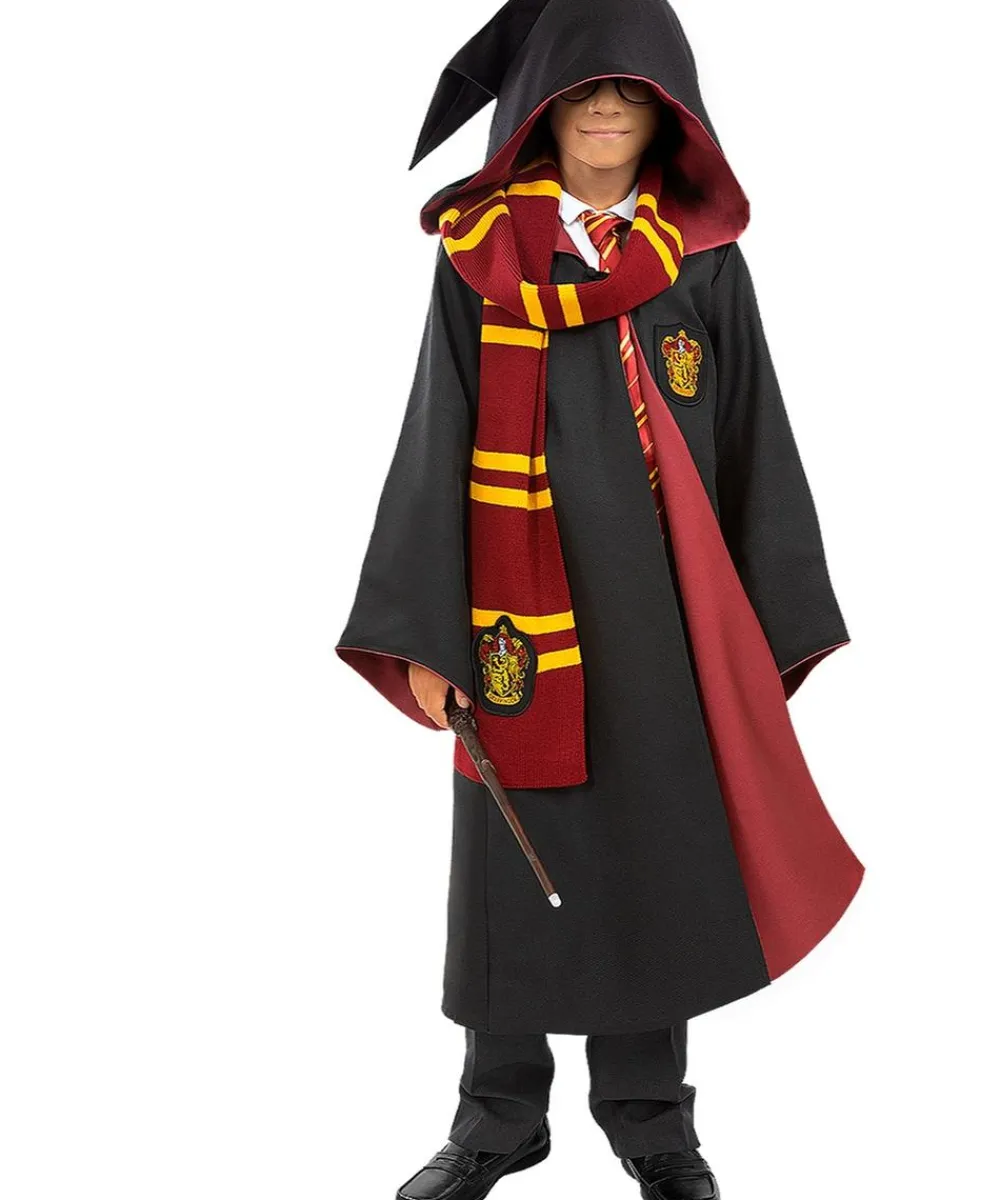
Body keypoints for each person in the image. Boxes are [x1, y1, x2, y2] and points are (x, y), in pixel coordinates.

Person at [335, 2, 864, 1198]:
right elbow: (436, 437)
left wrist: (762, 623)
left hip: (658, 613)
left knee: (652, 851)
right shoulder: (480, 261)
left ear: (672, 115)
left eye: (633, 90)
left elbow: (751, 437)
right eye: (584, 88)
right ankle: (499, 1115)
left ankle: (650, 1119)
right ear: (542, 112)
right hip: (512, 614)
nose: (609, 108)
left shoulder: (701, 261)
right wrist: (424, 632)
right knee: (512, 859)